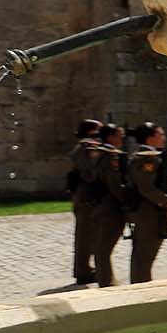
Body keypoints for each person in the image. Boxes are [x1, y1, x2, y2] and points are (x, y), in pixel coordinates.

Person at [125, 122, 167, 284]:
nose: (164, 138)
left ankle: (141, 285)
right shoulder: (147, 157)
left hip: (150, 211)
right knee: (144, 256)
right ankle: (141, 290)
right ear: (150, 138)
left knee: (144, 255)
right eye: (160, 134)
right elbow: (146, 187)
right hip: (148, 212)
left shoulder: (150, 155)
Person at [87, 124, 130, 287]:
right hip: (110, 207)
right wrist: (126, 201)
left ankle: (105, 279)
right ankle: (107, 283)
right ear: (111, 137)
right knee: (104, 248)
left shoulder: (98, 153)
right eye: (119, 135)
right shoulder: (112, 156)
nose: (122, 139)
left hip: (100, 205)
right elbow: (114, 183)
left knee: (102, 246)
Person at [68, 119, 103, 284]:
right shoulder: (86, 147)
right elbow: (89, 173)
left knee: (90, 235)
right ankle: (82, 271)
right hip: (86, 197)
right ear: (91, 132)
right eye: (98, 131)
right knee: (85, 236)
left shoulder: (88, 146)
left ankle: (86, 269)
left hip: (87, 197)